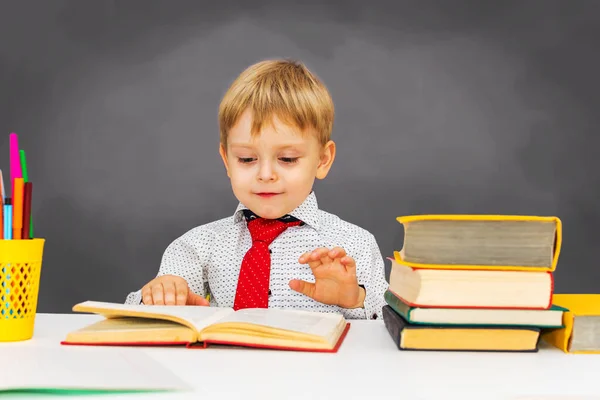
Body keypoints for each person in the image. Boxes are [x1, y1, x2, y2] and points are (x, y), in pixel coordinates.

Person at [125, 59, 388, 319]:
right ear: (227, 160)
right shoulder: (197, 246)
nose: (265, 175)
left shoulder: (354, 245)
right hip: (224, 361)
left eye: (287, 159)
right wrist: (161, 295)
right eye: (247, 159)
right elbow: (145, 315)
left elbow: (390, 320)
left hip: (319, 362)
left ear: (322, 160)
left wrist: (355, 299)